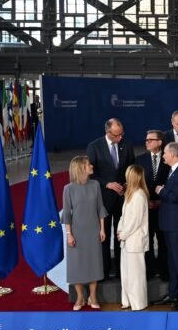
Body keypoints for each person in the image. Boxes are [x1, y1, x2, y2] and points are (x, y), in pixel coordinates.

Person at [86, 118, 135, 279]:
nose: (120, 137)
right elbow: (90, 173)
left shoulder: (127, 145)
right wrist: (107, 184)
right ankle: (104, 271)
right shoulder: (94, 146)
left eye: (121, 134)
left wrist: (127, 183)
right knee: (104, 235)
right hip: (103, 198)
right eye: (116, 135)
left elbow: (131, 168)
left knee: (121, 234)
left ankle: (122, 271)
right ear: (108, 132)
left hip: (122, 198)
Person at [62, 155, 107, 310]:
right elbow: (67, 213)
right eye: (88, 164)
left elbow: (100, 208)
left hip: (93, 230)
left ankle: (92, 296)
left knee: (94, 263)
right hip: (76, 232)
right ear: (81, 168)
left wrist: (102, 229)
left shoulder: (95, 184)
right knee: (77, 265)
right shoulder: (68, 188)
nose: (91, 166)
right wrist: (69, 234)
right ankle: (80, 297)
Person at [151, 142, 178, 310]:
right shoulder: (174, 170)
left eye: (165, 153)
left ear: (173, 155)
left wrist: (161, 190)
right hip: (170, 223)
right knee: (172, 260)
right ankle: (174, 293)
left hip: (177, 224)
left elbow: (176, 196)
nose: (163, 156)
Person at [135, 129, 169, 279]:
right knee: (146, 240)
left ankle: (164, 271)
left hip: (164, 207)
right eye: (146, 140)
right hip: (146, 208)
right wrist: (145, 201)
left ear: (159, 142)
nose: (147, 142)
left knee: (163, 241)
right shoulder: (140, 160)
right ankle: (148, 271)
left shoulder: (169, 158)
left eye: (151, 140)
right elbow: (137, 183)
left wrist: (162, 200)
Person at [117, 165, 149, 311]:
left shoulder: (139, 195)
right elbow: (124, 216)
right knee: (126, 274)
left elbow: (135, 221)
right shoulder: (130, 194)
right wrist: (120, 230)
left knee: (136, 275)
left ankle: (138, 303)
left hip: (134, 241)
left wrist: (123, 234)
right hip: (126, 241)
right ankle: (128, 300)